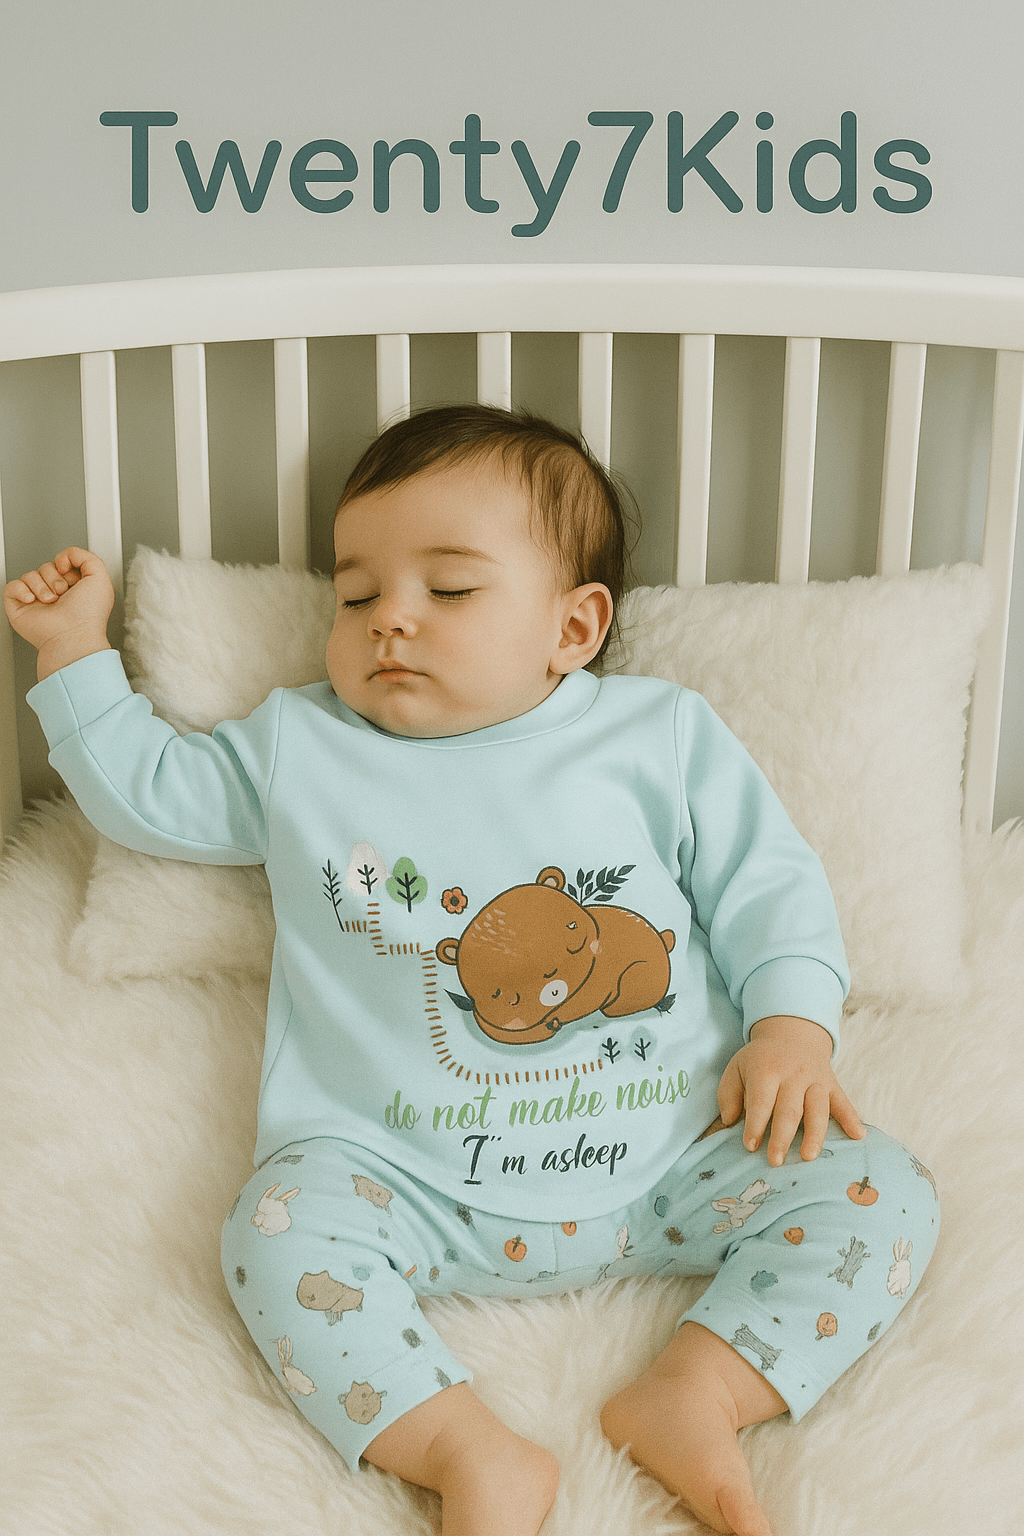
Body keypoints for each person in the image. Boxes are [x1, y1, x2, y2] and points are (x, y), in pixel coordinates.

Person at [5, 405, 939, 1536]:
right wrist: (73, 652)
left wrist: (791, 1026)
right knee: (274, 1235)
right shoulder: (304, 746)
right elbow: (152, 795)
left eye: (448, 590)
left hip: (674, 1153)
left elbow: (768, 883)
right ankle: (464, 1448)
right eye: (356, 596)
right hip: (407, 1179)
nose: (390, 620)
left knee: (880, 1190)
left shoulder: (657, 735)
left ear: (573, 626)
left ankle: (700, 1390)